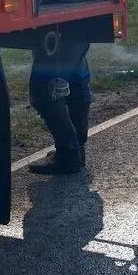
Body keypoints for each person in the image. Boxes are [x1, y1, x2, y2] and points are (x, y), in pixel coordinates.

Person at [27, 39, 92, 175]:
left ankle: (69, 155)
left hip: (57, 27)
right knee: (76, 77)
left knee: (44, 90)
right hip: (81, 23)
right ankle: (77, 150)